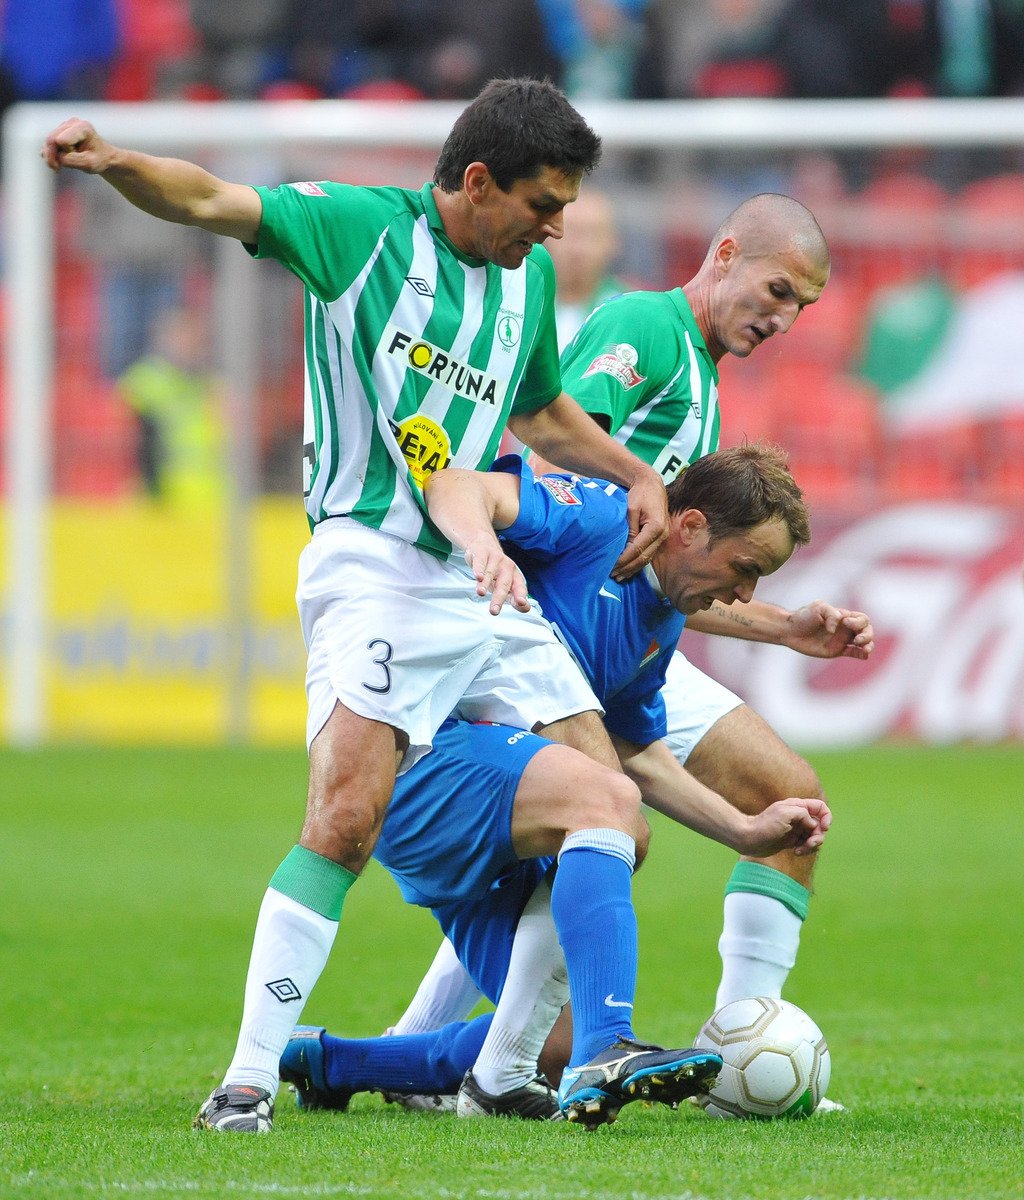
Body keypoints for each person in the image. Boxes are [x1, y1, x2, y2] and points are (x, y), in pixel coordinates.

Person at [42, 78, 674, 1134]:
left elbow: (542, 409)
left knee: (612, 813)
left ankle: (500, 1067)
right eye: (542, 201)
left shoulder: (524, 284)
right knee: (343, 818)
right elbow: (211, 200)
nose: (558, 226)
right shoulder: (360, 233)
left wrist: (632, 475)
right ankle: (248, 1077)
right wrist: (113, 161)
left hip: (478, 574)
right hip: (373, 560)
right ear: (477, 182)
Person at [385, 193, 869, 1113]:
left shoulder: (705, 381)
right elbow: (546, 451)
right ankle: (421, 1056)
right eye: (775, 289)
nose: (782, 316)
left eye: (801, 306)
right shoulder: (643, 328)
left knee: (784, 797)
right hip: (558, 636)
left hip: (632, 645)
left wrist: (785, 628)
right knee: (576, 841)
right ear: (723, 256)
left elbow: (672, 573)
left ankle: (734, 1058)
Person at [280, 444, 830, 1125]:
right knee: (609, 811)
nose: (744, 597)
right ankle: (604, 1049)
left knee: (550, 1042)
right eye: (745, 568)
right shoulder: (597, 521)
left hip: (516, 803)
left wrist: (743, 830)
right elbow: (454, 484)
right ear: (688, 528)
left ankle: (331, 1062)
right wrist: (484, 546)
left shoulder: (660, 618)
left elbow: (636, 749)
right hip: (430, 759)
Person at [546, 188, 628, 352]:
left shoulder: (628, 311)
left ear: (613, 242)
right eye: (567, 233)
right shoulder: (521, 300)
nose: (576, 249)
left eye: (590, 235)